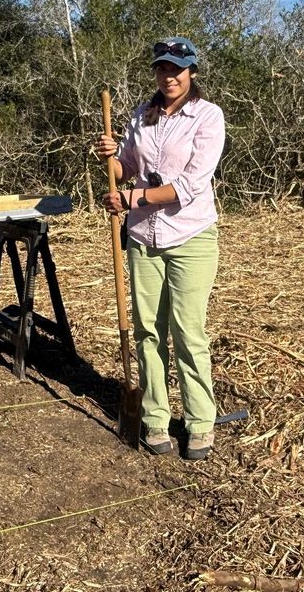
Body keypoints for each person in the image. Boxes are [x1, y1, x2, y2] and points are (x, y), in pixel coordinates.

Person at [94, 36, 225, 460]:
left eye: (177, 68)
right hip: (142, 239)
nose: (169, 76)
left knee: (188, 331)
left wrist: (134, 199)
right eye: (162, 68)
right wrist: (110, 157)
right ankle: (154, 417)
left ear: (192, 72)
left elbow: (190, 184)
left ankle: (200, 421)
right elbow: (127, 168)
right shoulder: (141, 116)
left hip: (190, 236)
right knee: (148, 330)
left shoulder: (207, 117)